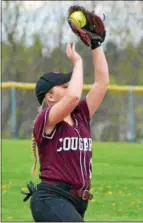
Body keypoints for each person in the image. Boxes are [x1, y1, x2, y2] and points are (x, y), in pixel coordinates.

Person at [22, 41, 109, 222]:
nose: (70, 87)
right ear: (50, 97)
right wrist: (77, 63)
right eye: (64, 86)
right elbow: (74, 96)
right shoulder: (45, 120)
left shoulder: (81, 115)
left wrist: (96, 45)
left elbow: (102, 83)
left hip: (76, 202)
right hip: (51, 199)